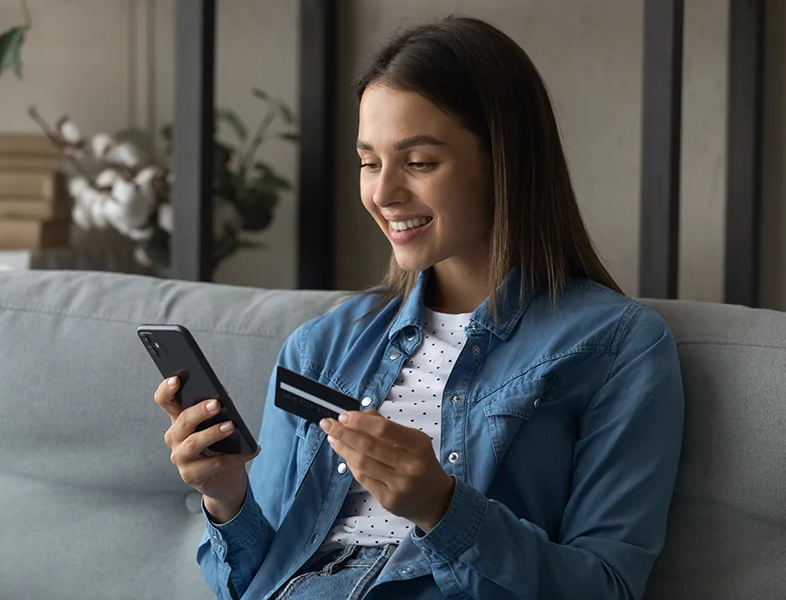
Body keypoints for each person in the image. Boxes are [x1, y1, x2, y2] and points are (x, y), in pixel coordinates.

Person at [153, 15, 684, 600]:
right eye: (369, 162)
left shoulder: (614, 346)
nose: (383, 194)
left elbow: (605, 588)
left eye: (420, 162)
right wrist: (227, 497)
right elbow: (255, 584)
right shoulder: (319, 347)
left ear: (502, 163)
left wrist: (443, 508)